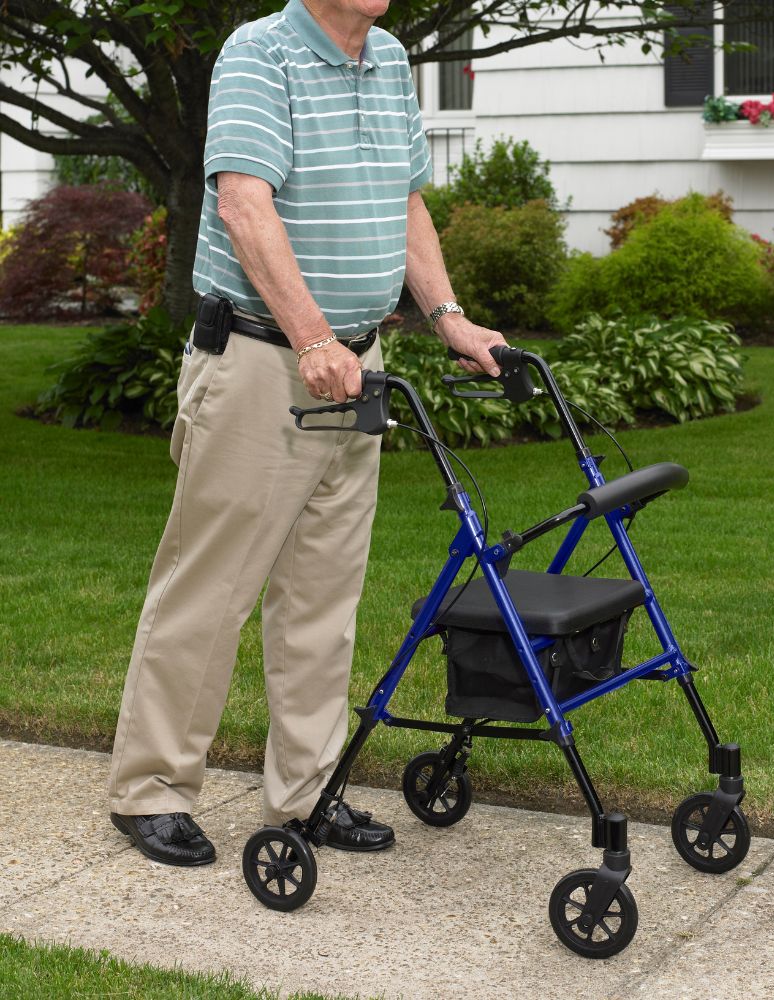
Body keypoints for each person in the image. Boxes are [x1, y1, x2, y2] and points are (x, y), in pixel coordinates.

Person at [107, 0, 505, 866]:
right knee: (209, 590)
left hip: (352, 369)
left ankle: (307, 791)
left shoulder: (390, 58)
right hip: (261, 363)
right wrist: (312, 337)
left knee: (323, 600)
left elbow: (404, 203)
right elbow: (246, 207)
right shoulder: (262, 54)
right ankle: (152, 790)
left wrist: (448, 317)